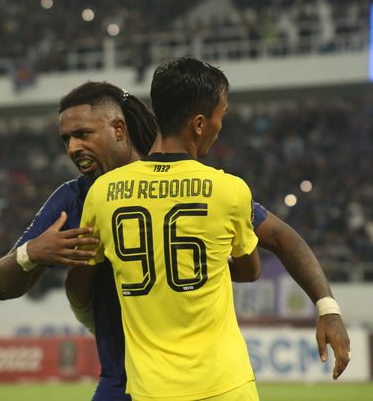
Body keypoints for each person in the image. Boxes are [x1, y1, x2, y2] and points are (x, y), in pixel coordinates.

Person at [0, 77, 350, 400]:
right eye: (66, 139)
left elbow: (278, 242)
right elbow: (2, 284)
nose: (72, 148)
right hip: (125, 378)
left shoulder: (177, 180)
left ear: (119, 129)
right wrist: (30, 253)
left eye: (83, 134)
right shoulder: (73, 199)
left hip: (179, 379)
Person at [80, 57, 262, 399]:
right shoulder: (230, 191)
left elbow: (82, 281)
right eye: (220, 116)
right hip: (225, 385)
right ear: (198, 123)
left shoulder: (102, 193)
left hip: (152, 389)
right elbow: (250, 270)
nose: (220, 126)